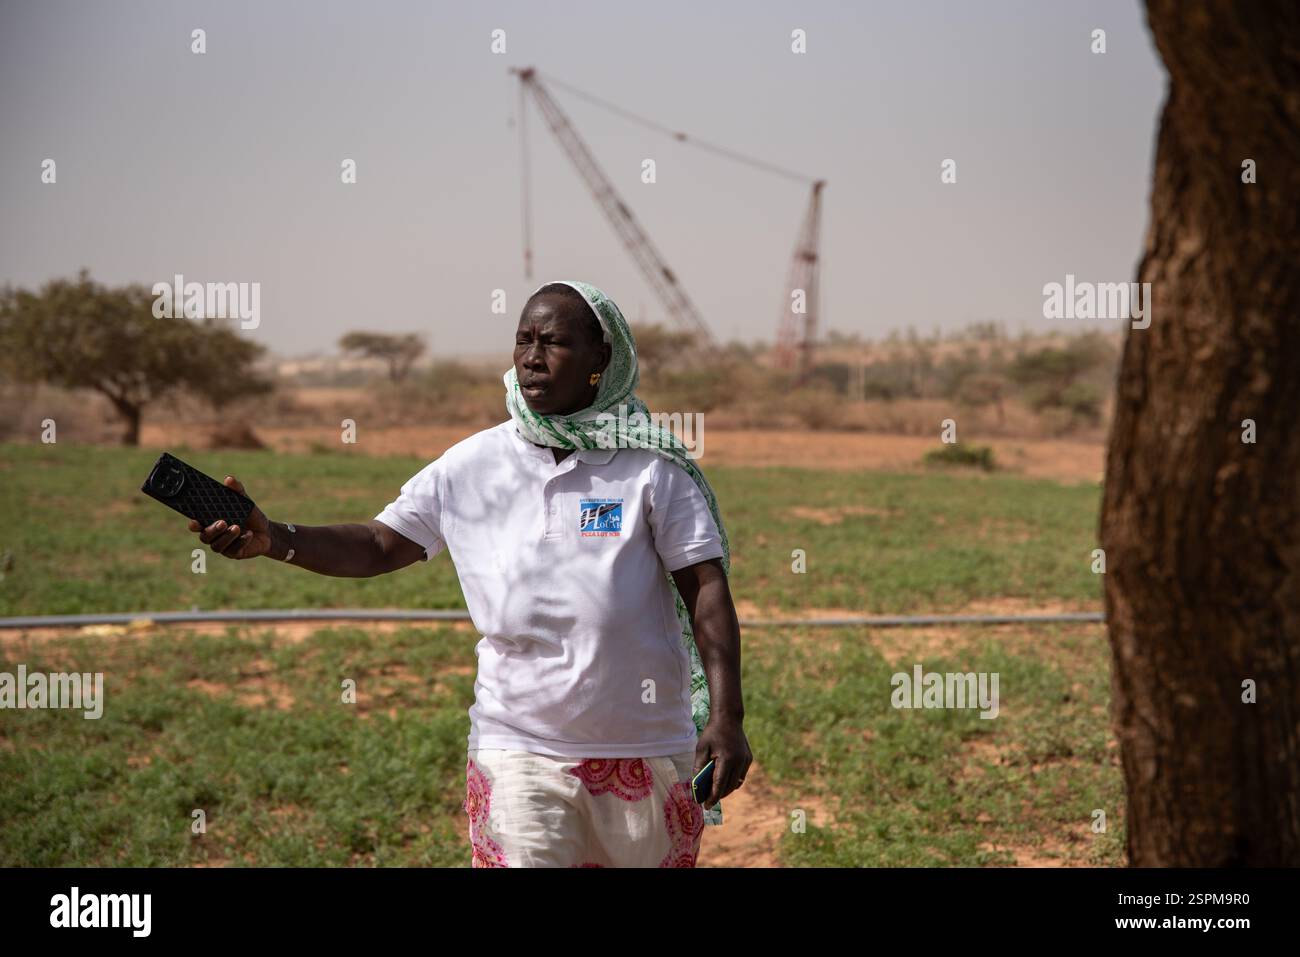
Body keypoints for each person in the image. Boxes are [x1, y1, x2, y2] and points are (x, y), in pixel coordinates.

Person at [189, 279, 751, 867]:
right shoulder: (474, 464)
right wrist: (276, 537)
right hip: (516, 749)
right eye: (524, 340)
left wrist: (727, 717)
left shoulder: (652, 470)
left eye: (554, 342)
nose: (533, 358)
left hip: (647, 749)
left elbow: (706, 591)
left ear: (601, 361)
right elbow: (380, 544)